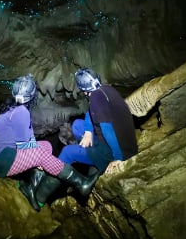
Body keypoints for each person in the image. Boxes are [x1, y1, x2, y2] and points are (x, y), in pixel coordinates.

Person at [0, 73, 98, 211]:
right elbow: (25, 145)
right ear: (32, 95)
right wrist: (40, 160)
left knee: (46, 146)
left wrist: (37, 155)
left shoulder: (12, 107)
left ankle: (31, 187)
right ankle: (81, 182)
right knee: (41, 155)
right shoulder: (21, 112)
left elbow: (26, 140)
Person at [33, 67, 139, 207]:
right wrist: (88, 132)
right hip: (124, 141)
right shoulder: (104, 90)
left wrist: (118, 158)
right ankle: (89, 156)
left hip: (117, 150)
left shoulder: (95, 99)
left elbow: (108, 132)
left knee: (67, 152)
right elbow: (91, 111)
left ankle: (40, 197)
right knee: (77, 125)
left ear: (83, 90)